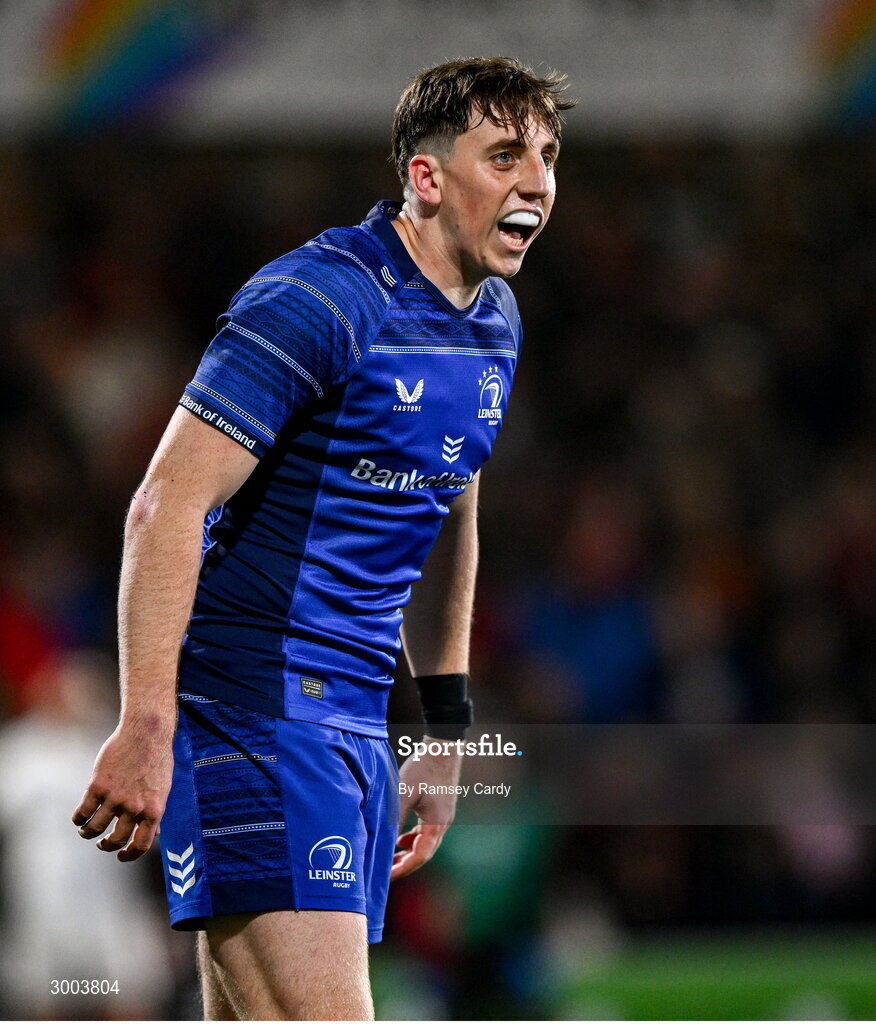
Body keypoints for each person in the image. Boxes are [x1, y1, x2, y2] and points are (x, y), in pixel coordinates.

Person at [73, 56, 572, 1020]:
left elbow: (446, 512)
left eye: (548, 156)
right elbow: (165, 505)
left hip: (354, 725)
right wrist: (147, 722)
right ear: (427, 177)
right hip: (254, 711)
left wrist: (444, 733)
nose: (537, 182)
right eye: (505, 155)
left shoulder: (493, 322)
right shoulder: (323, 297)